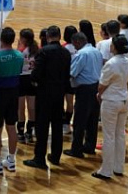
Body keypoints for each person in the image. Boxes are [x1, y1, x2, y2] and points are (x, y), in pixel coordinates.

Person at [24, 25, 72, 169]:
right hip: (59, 94)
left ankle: (40, 159)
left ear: (48, 37)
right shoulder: (65, 52)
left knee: (42, 127)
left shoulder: (43, 52)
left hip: (44, 94)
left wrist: (34, 80)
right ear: (59, 36)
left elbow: (36, 74)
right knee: (57, 126)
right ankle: (56, 156)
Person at [0, 27, 24, 175]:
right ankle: (12, 161)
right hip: (13, 93)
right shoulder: (19, 55)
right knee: (11, 126)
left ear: (0, 39)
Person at [92, 35, 128, 181]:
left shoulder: (111, 63)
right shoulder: (127, 61)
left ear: (114, 47)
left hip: (111, 101)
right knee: (120, 135)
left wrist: (99, 94)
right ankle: (118, 166)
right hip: (123, 99)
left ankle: (106, 170)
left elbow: (102, 84)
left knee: (108, 136)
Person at [65, 29, 102, 158]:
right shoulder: (96, 51)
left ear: (78, 42)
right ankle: (89, 146)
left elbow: (72, 72)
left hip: (84, 90)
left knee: (79, 121)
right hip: (96, 87)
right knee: (92, 119)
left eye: (74, 44)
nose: (74, 47)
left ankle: (76, 149)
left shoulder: (81, 54)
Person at [17, 28, 39, 144]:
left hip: (22, 79)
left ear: (23, 39)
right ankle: (29, 132)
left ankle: (20, 133)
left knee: (21, 108)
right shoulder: (36, 49)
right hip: (32, 79)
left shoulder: (21, 52)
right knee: (32, 108)